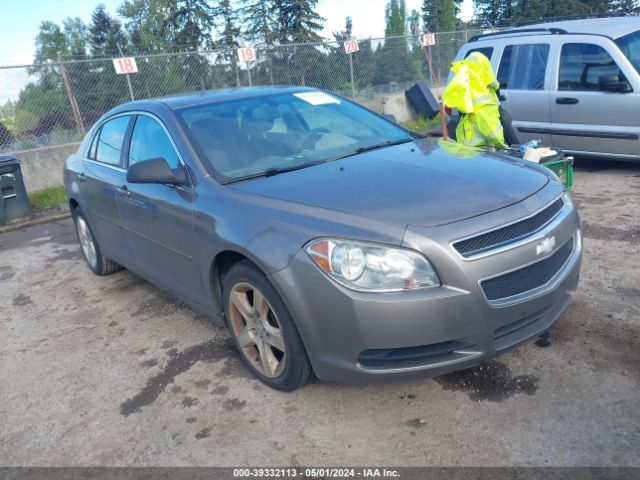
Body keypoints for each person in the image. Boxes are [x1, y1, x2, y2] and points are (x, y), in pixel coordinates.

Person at [443, 51, 506, 149]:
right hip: (484, 155)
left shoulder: (466, 101)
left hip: (469, 154)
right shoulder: (485, 105)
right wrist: (504, 149)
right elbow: (495, 136)